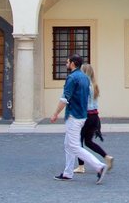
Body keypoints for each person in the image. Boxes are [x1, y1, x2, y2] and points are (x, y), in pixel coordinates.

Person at [49, 54, 107, 184]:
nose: (66, 64)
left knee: (74, 146)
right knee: (68, 144)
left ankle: (99, 166)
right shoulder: (85, 78)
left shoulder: (72, 78)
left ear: (73, 63)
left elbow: (64, 99)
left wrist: (55, 113)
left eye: (67, 62)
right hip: (82, 115)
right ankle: (67, 173)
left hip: (74, 116)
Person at [75, 63, 114, 174]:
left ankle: (81, 166)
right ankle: (106, 156)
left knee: (78, 142)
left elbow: (81, 102)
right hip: (95, 117)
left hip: (85, 116)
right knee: (88, 141)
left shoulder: (83, 85)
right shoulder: (94, 84)